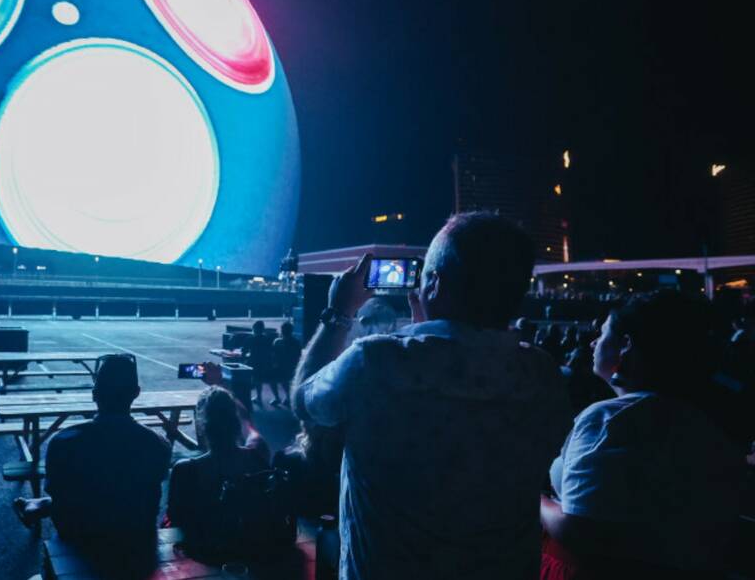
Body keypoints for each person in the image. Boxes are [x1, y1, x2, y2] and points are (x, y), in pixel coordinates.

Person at [293, 211, 571, 580]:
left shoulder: (376, 361)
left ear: (435, 285)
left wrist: (339, 313)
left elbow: (305, 400)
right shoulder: (542, 374)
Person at [540, 291, 745, 578]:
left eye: (602, 333)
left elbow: (579, 530)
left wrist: (540, 502)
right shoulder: (705, 414)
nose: (593, 342)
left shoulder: (608, 419)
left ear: (625, 346)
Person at [14, 354, 170, 570]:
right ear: (136, 394)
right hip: (137, 543)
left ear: (94, 394)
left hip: (80, 542)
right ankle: (38, 506)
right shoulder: (158, 445)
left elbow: (61, 504)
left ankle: (37, 505)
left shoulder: (63, 443)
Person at [167, 386, 276, 557]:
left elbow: (175, 518)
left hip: (204, 554)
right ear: (234, 422)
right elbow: (249, 424)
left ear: (203, 425)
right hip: (251, 550)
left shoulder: (185, 470)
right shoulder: (257, 456)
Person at [243, 320, 276, 406]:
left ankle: (259, 397)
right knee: (271, 380)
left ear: (254, 329)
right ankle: (277, 397)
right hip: (267, 362)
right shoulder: (268, 339)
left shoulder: (250, 339)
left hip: (255, 362)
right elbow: (272, 351)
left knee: (257, 380)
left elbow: (244, 351)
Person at [271, 321, 301, 404]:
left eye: (283, 329)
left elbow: (274, 354)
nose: (283, 331)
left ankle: (282, 398)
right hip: (285, 365)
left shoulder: (278, 341)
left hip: (284, 365)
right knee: (282, 382)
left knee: (282, 382)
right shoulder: (295, 342)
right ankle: (284, 398)